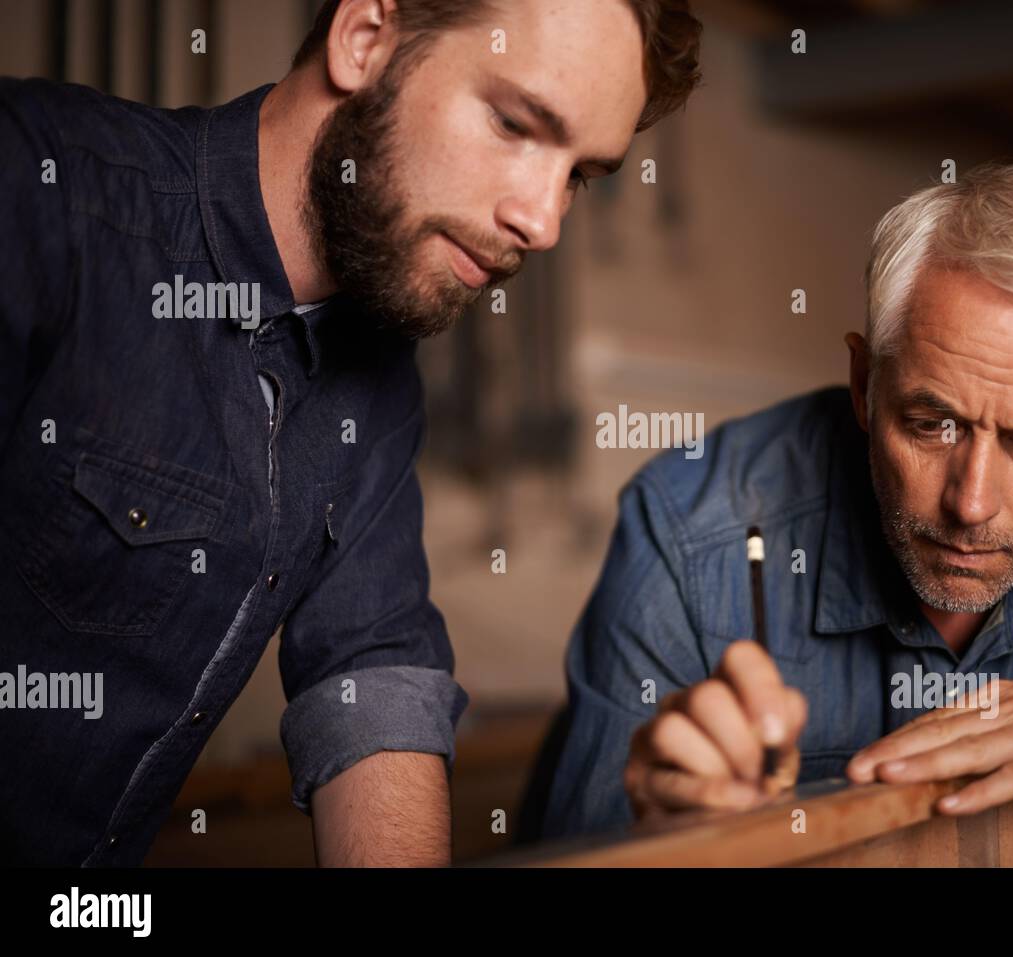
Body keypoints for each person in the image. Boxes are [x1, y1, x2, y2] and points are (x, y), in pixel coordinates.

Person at [0, 0, 701, 866]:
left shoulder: (377, 375)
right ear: (364, 39)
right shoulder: (38, 193)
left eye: (581, 175)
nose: (544, 221)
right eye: (516, 123)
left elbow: (370, 672)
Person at [531, 163, 1013, 838]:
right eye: (932, 424)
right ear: (866, 385)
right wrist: (668, 843)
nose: (970, 503)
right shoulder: (692, 530)